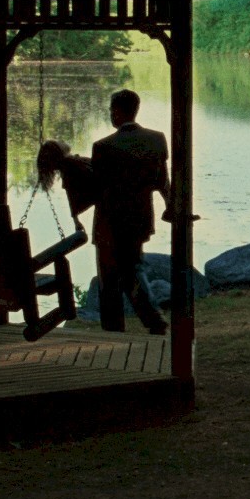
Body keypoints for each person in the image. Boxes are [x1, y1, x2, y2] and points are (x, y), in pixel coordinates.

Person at [89, 90, 171, 335]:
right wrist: (170, 206)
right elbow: (163, 181)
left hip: (108, 223)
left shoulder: (103, 147)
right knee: (132, 269)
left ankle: (119, 329)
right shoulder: (157, 140)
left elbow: (96, 187)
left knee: (109, 280)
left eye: (111, 111)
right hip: (139, 219)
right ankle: (152, 320)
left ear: (116, 111)